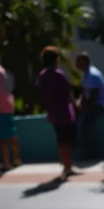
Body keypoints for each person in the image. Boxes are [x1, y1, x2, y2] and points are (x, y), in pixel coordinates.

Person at [38, 46, 79, 180]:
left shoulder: (43, 75)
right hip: (64, 112)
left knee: (62, 140)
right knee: (66, 140)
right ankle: (67, 167)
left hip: (54, 113)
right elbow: (68, 91)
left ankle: (67, 166)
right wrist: (75, 104)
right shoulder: (58, 73)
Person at [74, 52, 104, 160]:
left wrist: (83, 108)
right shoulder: (86, 74)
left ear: (86, 62)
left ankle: (90, 152)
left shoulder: (93, 74)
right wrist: (78, 103)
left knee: (85, 124)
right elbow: (84, 92)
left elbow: (93, 96)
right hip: (90, 105)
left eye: (79, 62)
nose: (76, 64)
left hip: (98, 105)